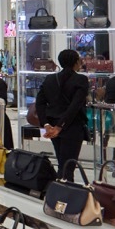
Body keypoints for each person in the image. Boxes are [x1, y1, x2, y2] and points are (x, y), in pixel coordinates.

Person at [35, 49, 90, 182]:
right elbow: (75, 106)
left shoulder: (50, 79)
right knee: (68, 164)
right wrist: (60, 126)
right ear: (76, 62)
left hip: (53, 124)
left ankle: (60, 189)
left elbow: (40, 103)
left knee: (62, 161)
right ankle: (65, 193)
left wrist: (46, 124)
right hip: (72, 126)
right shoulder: (81, 79)